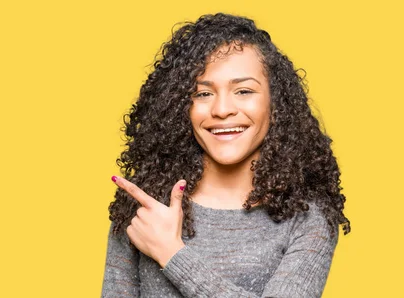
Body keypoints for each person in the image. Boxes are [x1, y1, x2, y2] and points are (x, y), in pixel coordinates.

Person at [101, 13, 351, 298]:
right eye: (203, 94)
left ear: (275, 102)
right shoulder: (147, 210)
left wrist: (171, 253)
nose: (222, 109)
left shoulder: (307, 218)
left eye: (243, 91)